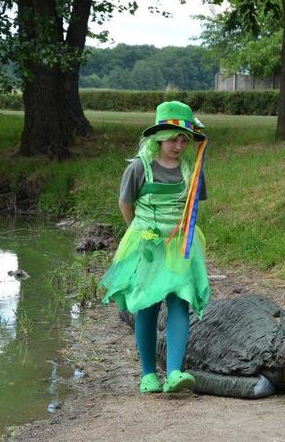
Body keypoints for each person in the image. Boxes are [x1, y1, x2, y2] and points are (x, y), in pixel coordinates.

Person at [100, 100, 211, 394]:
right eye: (173, 139)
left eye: (184, 140)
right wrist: (139, 230)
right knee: (147, 306)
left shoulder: (191, 169)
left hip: (179, 245)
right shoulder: (140, 168)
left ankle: (174, 372)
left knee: (180, 301)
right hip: (147, 244)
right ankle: (148, 374)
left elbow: (193, 206)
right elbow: (126, 204)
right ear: (159, 137)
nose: (178, 146)